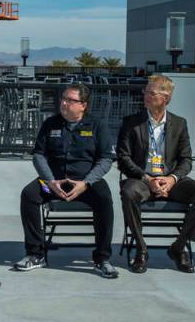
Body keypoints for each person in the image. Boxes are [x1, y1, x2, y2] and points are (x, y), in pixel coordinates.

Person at [14, 84, 118, 278]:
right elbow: (38, 155)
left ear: (83, 105)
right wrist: (51, 181)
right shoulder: (51, 124)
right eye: (63, 98)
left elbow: (106, 159)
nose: (64, 103)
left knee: (104, 198)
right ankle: (36, 254)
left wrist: (86, 183)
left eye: (70, 100)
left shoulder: (97, 126)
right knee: (29, 195)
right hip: (53, 184)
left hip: (86, 185)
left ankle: (102, 258)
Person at [117, 75, 195, 273]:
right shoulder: (131, 122)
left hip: (171, 181)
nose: (146, 96)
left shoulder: (179, 123)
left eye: (151, 93)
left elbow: (186, 159)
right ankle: (141, 249)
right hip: (142, 179)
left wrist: (172, 179)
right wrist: (148, 178)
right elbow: (123, 158)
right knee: (128, 192)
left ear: (166, 98)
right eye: (145, 91)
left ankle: (178, 247)